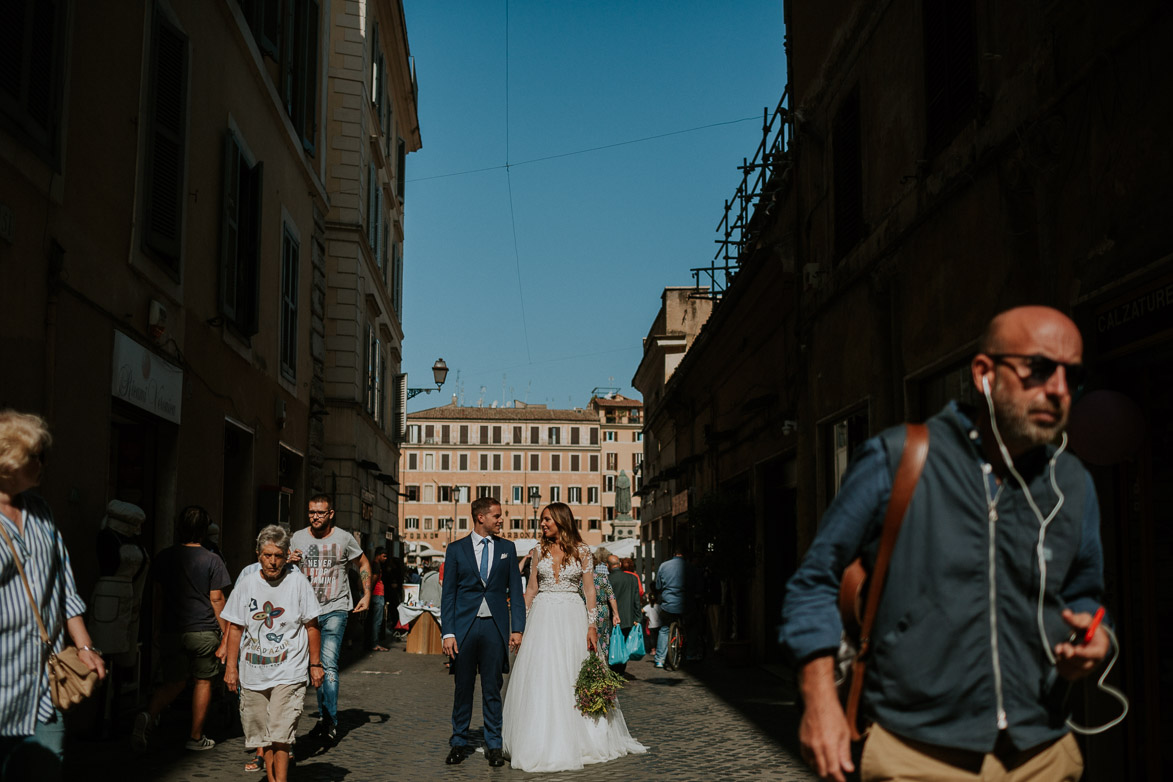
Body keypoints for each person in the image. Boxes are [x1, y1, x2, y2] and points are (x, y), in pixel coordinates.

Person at [780, 306, 1109, 782]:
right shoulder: (899, 457)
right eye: (1037, 370)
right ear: (983, 374)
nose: (1058, 389)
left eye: (1071, 375)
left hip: (1042, 752)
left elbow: (1085, 591)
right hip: (917, 753)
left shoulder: (1070, 481)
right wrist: (819, 699)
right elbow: (813, 582)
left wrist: (1095, 635)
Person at [0, 411, 106, 780]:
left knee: (48, 769)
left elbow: (64, 588)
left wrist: (85, 647)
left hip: (45, 684)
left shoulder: (40, 511)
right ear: (10, 458)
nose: (45, 464)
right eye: (37, 456)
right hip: (3, 680)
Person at [501, 503, 646, 772]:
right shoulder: (537, 551)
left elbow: (590, 590)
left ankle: (582, 737)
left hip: (571, 615)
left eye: (547, 520)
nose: (542, 524)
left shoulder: (582, 551)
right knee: (541, 675)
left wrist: (591, 625)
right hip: (542, 616)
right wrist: (520, 627)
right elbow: (531, 589)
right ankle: (537, 738)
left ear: (561, 521)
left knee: (572, 672)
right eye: (542, 520)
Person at [222, 526, 323, 782]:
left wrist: (315, 664)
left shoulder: (298, 582)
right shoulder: (246, 584)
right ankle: (273, 778)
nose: (273, 561)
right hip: (253, 671)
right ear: (258, 555)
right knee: (263, 736)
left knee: (281, 733)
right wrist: (231, 668)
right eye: (268, 555)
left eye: (278, 555)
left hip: (289, 670)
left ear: (287, 555)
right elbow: (235, 629)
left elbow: (312, 626)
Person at [134, 505, 231, 752]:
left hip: (172, 629)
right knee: (203, 681)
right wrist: (227, 632)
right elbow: (217, 598)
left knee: (173, 682)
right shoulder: (213, 560)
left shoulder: (164, 556)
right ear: (203, 531)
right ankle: (196, 737)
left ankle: (147, 715)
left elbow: (159, 596)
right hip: (203, 631)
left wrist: (157, 627)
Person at [440, 497, 525, 768]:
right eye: (497, 516)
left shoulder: (507, 548)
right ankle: (458, 742)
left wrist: (517, 628)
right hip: (464, 628)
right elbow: (449, 594)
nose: (501, 520)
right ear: (480, 517)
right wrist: (448, 632)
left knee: (492, 688)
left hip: (495, 628)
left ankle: (494, 745)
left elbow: (517, 592)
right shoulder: (456, 549)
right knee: (462, 688)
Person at [289, 494, 371, 744]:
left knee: (329, 665)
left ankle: (331, 722)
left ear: (331, 514)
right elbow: (282, 570)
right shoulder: (297, 538)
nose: (315, 517)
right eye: (312, 512)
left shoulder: (344, 538)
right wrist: (288, 562)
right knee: (314, 667)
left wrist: (367, 594)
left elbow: (363, 562)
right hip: (306, 612)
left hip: (336, 608)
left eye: (320, 513)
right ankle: (324, 719)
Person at [653, 542, 689, 668]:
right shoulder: (688, 566)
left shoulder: (664, 566)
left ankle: (660, 660)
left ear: (673, 554)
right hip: (685, 604)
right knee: (691, 626)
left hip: (668, 604)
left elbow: (658, 585)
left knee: (664, 630)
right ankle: (690, 654)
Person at [607, 555, 641, 675]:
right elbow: (637, 600)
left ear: (608, 566)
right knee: (623, 645)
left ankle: (613, 669)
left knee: (613, 644)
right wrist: (637, 617)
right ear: (619, 564)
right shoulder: (632, 578)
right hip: (628, 618)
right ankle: (621, 670)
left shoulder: (607, 579)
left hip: (611, 618)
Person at [587, 547, 621, 665]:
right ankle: (602, 664)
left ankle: (589, 664)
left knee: (586, 639)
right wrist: (616, 614)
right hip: (602, 610)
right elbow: (611, 597)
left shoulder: (580, 579)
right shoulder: (602, 577)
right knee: (602, 639)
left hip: (585, 611)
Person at [369, 547, 389, 651]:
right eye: (384, 556)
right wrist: (369, 591)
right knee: (377, 621)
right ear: (378, 555)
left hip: (375, 595)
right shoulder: (376, 564)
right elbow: (374, 578)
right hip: (377, 594)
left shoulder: (373, 564)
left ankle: (372, 643)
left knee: (373, 620)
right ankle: (375, 643)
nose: (385, 558)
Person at [642, 592, 662, 657]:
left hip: (651, 625)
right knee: (658, 638)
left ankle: (653, 650)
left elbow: (641, 611)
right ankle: (659, 649)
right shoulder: (659, 606)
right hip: (659, 625)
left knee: (652, 639)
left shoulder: (648, 607)